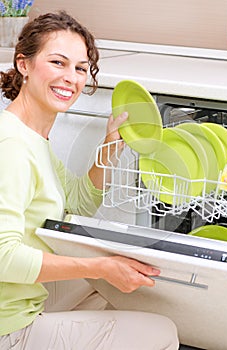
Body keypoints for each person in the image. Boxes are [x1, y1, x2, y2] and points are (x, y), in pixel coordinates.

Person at [0, 11, 179, 350]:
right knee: (162, 331)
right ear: (23, 64)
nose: (71, 78)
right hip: (8, 327)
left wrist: (110, 145)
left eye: (80, 68)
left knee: (111, 291)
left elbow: (80, 202)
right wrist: (99, 266)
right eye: (57, 62)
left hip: (18, 302)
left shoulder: (34, 138)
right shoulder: (10, 146)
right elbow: (3, 256)